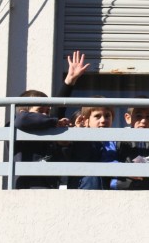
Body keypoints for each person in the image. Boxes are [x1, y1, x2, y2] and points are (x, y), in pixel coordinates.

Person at [13, 51, 91, 189]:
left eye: (47, 112)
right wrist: (54, 121)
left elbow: (58, 109)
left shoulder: (49, 131)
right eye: (40, 111)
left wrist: (69, 81)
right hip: (26, 189)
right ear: (23, 111)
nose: (45, 115)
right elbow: (22, 120)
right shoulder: (16, 123)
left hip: (50, 190)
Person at [109, 102, 149, 191]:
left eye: (148, 117)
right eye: (138, 116)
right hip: (120, 192)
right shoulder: (118, 139)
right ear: (128, 118)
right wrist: (125, 170)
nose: (144, 121)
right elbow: (108, 161)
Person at [75, 101, 119, 191]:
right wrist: (80, 133)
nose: (103, 120)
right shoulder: (82, 140)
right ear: (86, 121)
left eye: (107, 116)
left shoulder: (115, 141)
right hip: (87, 188)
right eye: (97, 116)